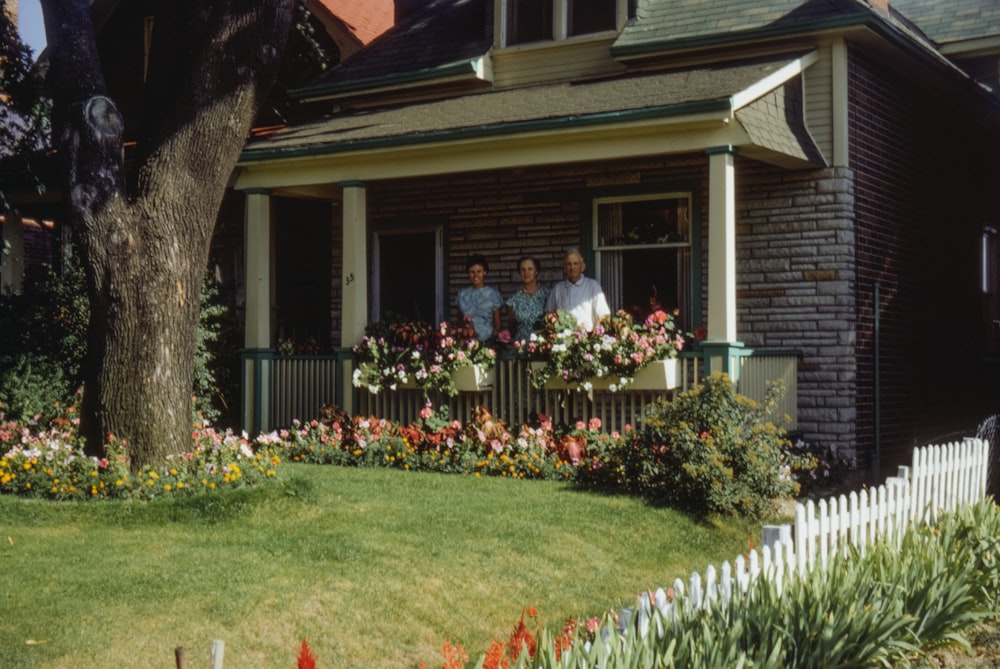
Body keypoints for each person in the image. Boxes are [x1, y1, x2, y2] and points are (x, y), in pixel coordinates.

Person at [546, 248, 610, 331]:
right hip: (563, 340)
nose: (572, 267)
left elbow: (604, 315)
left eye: (575, 264)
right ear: (565, 268)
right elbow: (548, 314)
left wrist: (594, 337)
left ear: (582, 267)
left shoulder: (593, 286)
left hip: (586, 339)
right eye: (569, 264)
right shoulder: (558, 289)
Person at [457, 254, 503, 342]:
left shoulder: (493, 294)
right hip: (467, 343)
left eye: (479, 271)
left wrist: (491, 344)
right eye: (472, 272)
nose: (475, 275)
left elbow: (497, 326)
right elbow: (459, 322)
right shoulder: (462, 294)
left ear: (485, 272)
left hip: (488, 343)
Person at [506, 255, 550, 344]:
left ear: (536, 272)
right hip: (521, 348)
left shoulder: (548, 295)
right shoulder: (513, 300)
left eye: (530, 269)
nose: (526, 273)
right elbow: (512, 329)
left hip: (542, 347)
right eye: (523, 270)